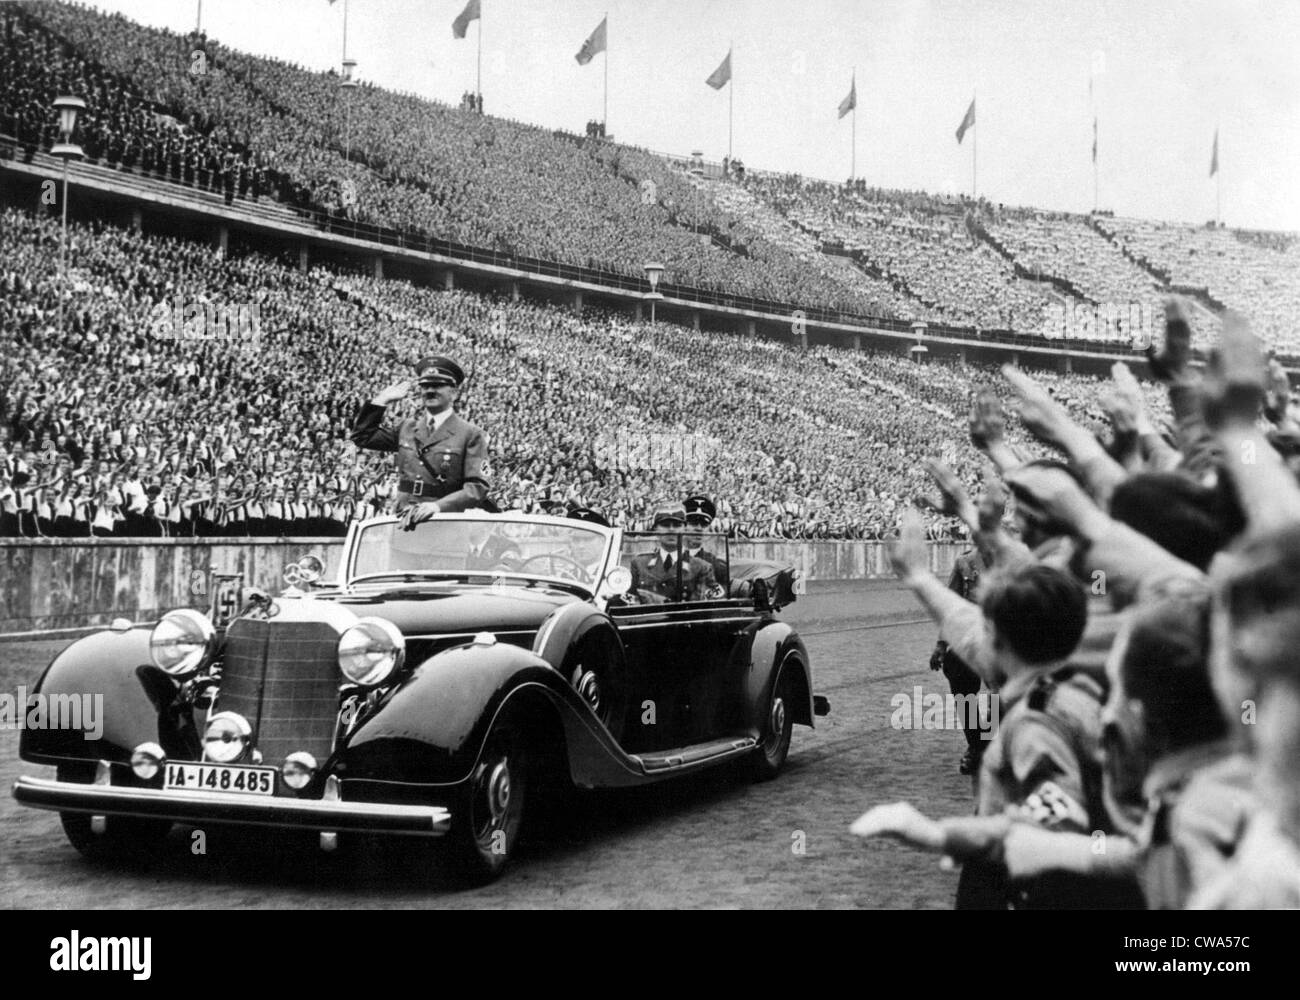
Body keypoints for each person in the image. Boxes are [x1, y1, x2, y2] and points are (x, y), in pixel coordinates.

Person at [350, 355, 491, 529]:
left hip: (446, 526)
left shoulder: (470, 434)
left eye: (438, 386)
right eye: (425, 386)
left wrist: (438, 506)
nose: (430, 391)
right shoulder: (407, 427)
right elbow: (362, 437)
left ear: (454, 393)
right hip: (405, 522)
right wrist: (381, 401)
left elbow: (477, 487)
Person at [929, 543, 991, 775]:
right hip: (971, 636)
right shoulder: (965, 562)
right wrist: (941, 646)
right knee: (960, 679)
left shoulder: (1017, 560)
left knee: (999, 695)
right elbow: (951, 609)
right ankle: (977, 746)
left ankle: (985, 745)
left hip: (1005, 637)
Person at [629, 501, 721, 602]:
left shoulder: (701, 567)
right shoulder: (639, 564)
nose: (671, 529)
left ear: (684, 528)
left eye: (677, 525)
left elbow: (702, 607)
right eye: (665, 525)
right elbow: (631, 601)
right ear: (655, 529)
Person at [683, 494, 730, 592]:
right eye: (694, 523)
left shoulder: (716, 566)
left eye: (704, 524)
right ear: (683, 526)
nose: (699, 528)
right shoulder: (669, 559)